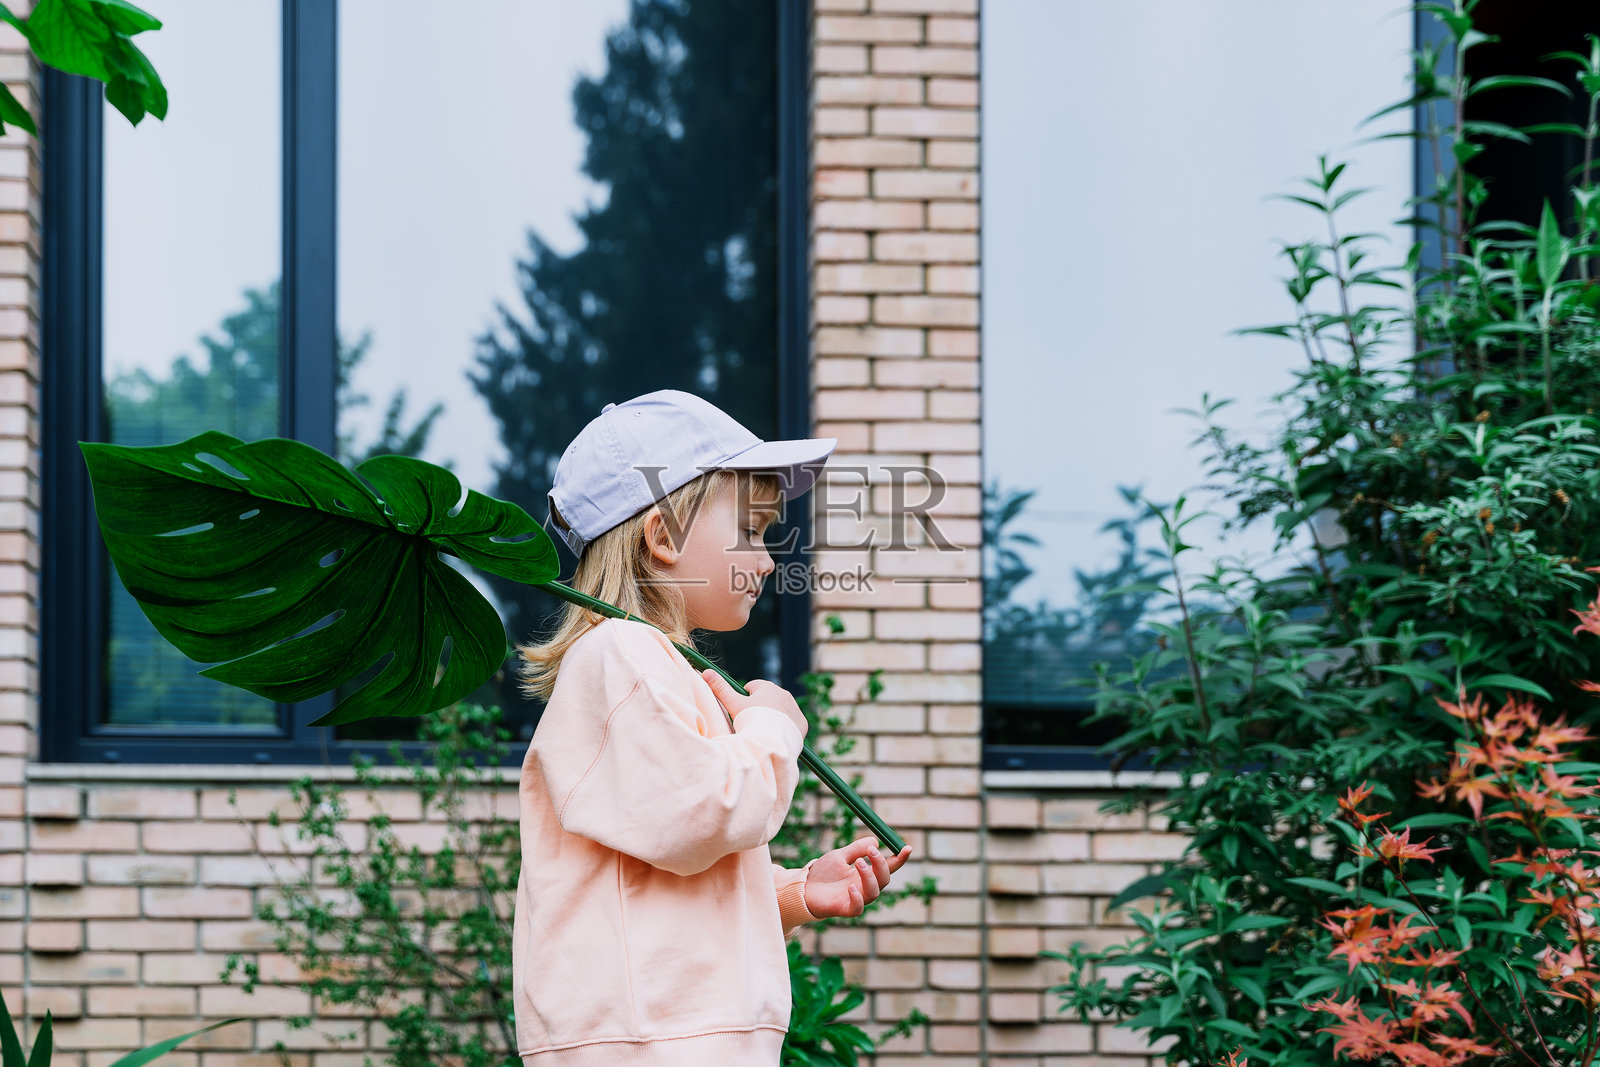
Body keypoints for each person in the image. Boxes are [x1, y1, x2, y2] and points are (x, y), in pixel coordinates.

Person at [510, 389, 914, 1065]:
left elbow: (661, 872)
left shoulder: (652, 667)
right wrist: (772, 728)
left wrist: (792, 890)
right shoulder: (621, 657)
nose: (765, 559)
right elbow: (709, 809)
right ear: (662, 536)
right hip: (649, 1046)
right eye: (750, 531)